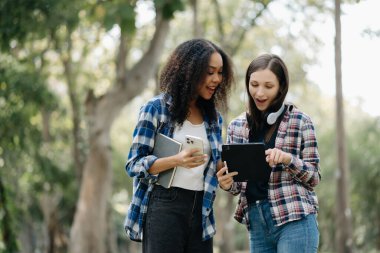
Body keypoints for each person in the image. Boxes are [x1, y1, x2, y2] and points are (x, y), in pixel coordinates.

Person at [124, 38, 234, 253]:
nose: (216, 79)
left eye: (220, 73)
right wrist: (176, 160)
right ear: (190, 70)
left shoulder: (214, 119)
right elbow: (134, 164)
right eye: (209, 72)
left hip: (202, 208)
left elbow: (215, 165)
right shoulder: (156, 108)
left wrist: (226, 174)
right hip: (164, 204)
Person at [217, 53, 321, 253]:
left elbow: (314, 177)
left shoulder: (300, 121)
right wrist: (227, 184)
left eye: (268, 86)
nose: (260, 92)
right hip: (256, 221)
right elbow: (238, 185)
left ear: (281, 87)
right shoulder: (236, 127)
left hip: (294, 219)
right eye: (254, 84)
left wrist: (287, 159)